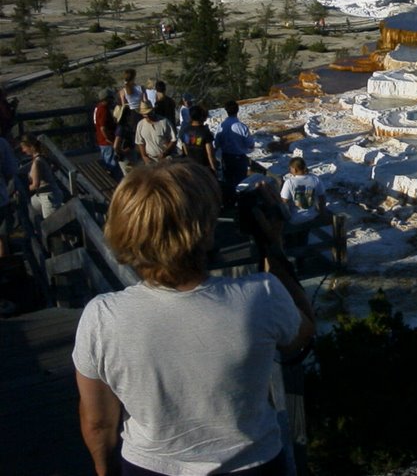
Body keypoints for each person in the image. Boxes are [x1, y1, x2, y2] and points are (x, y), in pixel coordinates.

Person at [72, 160, 315, 475]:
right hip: (254, 465)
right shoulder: (261, 296)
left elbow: (98, 422)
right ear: (204, 230)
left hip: (150, 467)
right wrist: (272, 247)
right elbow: (303, 332)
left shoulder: (101, 318)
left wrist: (104, 470)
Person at [215, 100, 255, 205]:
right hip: (239, 158)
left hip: (226, 157)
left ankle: (229, 202)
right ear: (237, 110)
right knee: (241, 182)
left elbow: (217, 143)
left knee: (228, 181)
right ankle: (241, 204)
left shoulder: (221, 125)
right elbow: (250, 144)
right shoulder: (241, 126)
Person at [20, 133, 63, 222]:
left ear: (30, 146)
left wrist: (22, 189)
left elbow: (35, 185)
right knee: (29, 209)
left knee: (52, 225)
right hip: (41, 194)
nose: (23, 150)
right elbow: (58, 165)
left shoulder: (37, 162)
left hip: (48, 196)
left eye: (24, 147)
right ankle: (37, 230)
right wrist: (48, 174)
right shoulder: (43, 156)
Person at [134, 100, 177, 165]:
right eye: (145, 114)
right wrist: (144, 157)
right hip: (150, 159)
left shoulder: (164, 122)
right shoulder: (140, 125)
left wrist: (165, 153)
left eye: (149, 113)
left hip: (165, 158)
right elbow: (140, 142)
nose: (147, 116)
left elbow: (173, 140)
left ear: (153, 111)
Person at [179, 105, 217, 173]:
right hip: (204, 168)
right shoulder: (205, 132)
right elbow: (210, 154)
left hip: (191, 167)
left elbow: (185, 150)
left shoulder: (184, 131)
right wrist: (214, 169)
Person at [93, 89, 119, 178]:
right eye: (110, 98)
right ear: (106, 99)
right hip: (106, 141)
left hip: (101, 140)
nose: (112, 100)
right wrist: (108, 138)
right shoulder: (103, 110)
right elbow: (103, 127)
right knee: (111, 164)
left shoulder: (97, 108)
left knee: (107, 161)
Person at [112, 104, 139, 178]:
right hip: (127, 157)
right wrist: (123, 152)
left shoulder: (124, 127)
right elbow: (116, 146)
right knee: (131, 177)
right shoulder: (121, 129)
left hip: (129, 154)